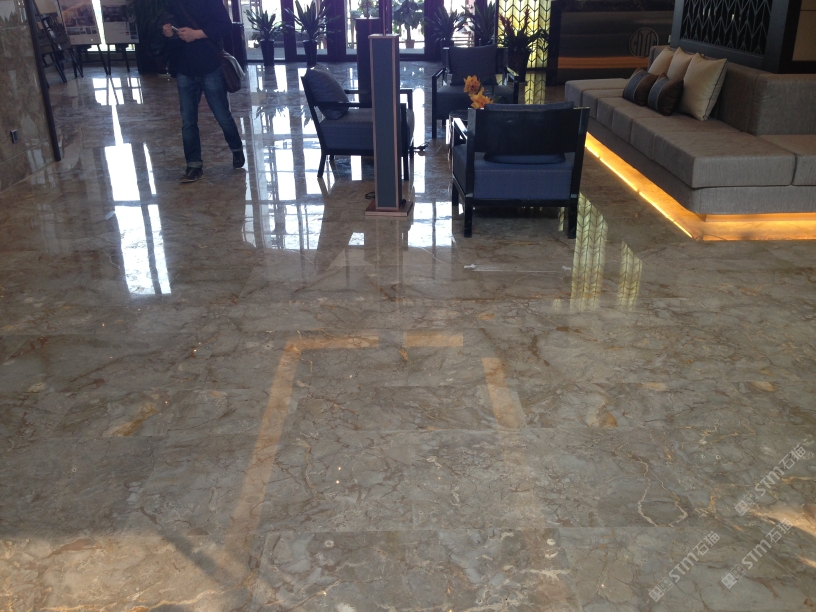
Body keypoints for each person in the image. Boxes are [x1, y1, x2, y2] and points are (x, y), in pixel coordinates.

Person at [161, 0, 245, 183]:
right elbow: (167, 21)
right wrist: (168, 31)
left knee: (222, 115)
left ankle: (236, 148)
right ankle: (194, 165)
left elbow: (225, 25)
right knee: (188, 121)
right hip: (184, 67)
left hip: (210, 64)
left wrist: (196, 34)